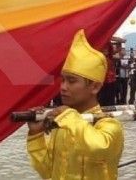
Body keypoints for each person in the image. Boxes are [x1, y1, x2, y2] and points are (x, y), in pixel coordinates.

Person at [26, 29, 124, 179]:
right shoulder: (64, 125)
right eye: (63, 80)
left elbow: (97, 148)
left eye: (71, 81)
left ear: (95, 87)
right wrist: (36, 134)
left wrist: (68, 116)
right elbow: (48, 172)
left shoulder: (109, 125)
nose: (63, 87)